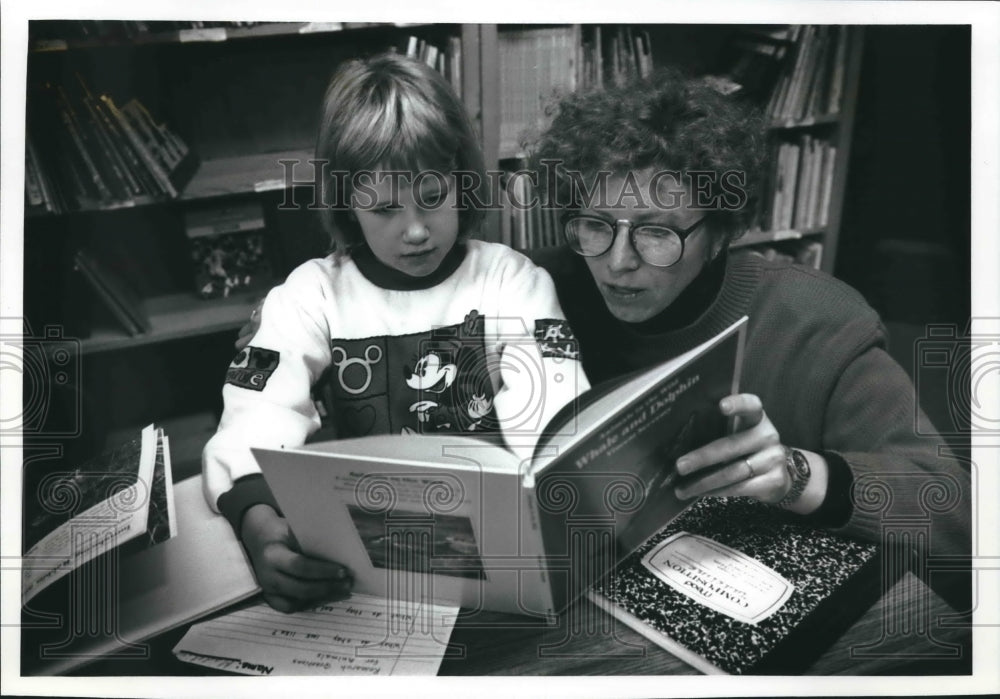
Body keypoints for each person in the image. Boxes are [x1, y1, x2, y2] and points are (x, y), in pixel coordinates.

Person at [237, 67, 969, 606]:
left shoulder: (819, 321)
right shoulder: (546, 282)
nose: (616, 264)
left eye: (656, 233)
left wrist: (802, 475)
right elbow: (271, 378)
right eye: (595, 225)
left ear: (719, 233)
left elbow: (959, 516)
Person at [204, 53, 589, 613]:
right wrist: (260, 526)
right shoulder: (310, 295)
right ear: (347, 204)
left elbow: (554, 403)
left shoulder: (511, 280)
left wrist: (555, 485)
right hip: (368, 565)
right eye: (384, 207)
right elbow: (254, 418)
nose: (415, 230)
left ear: (463, 181)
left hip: (495, 559)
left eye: (433, 197)